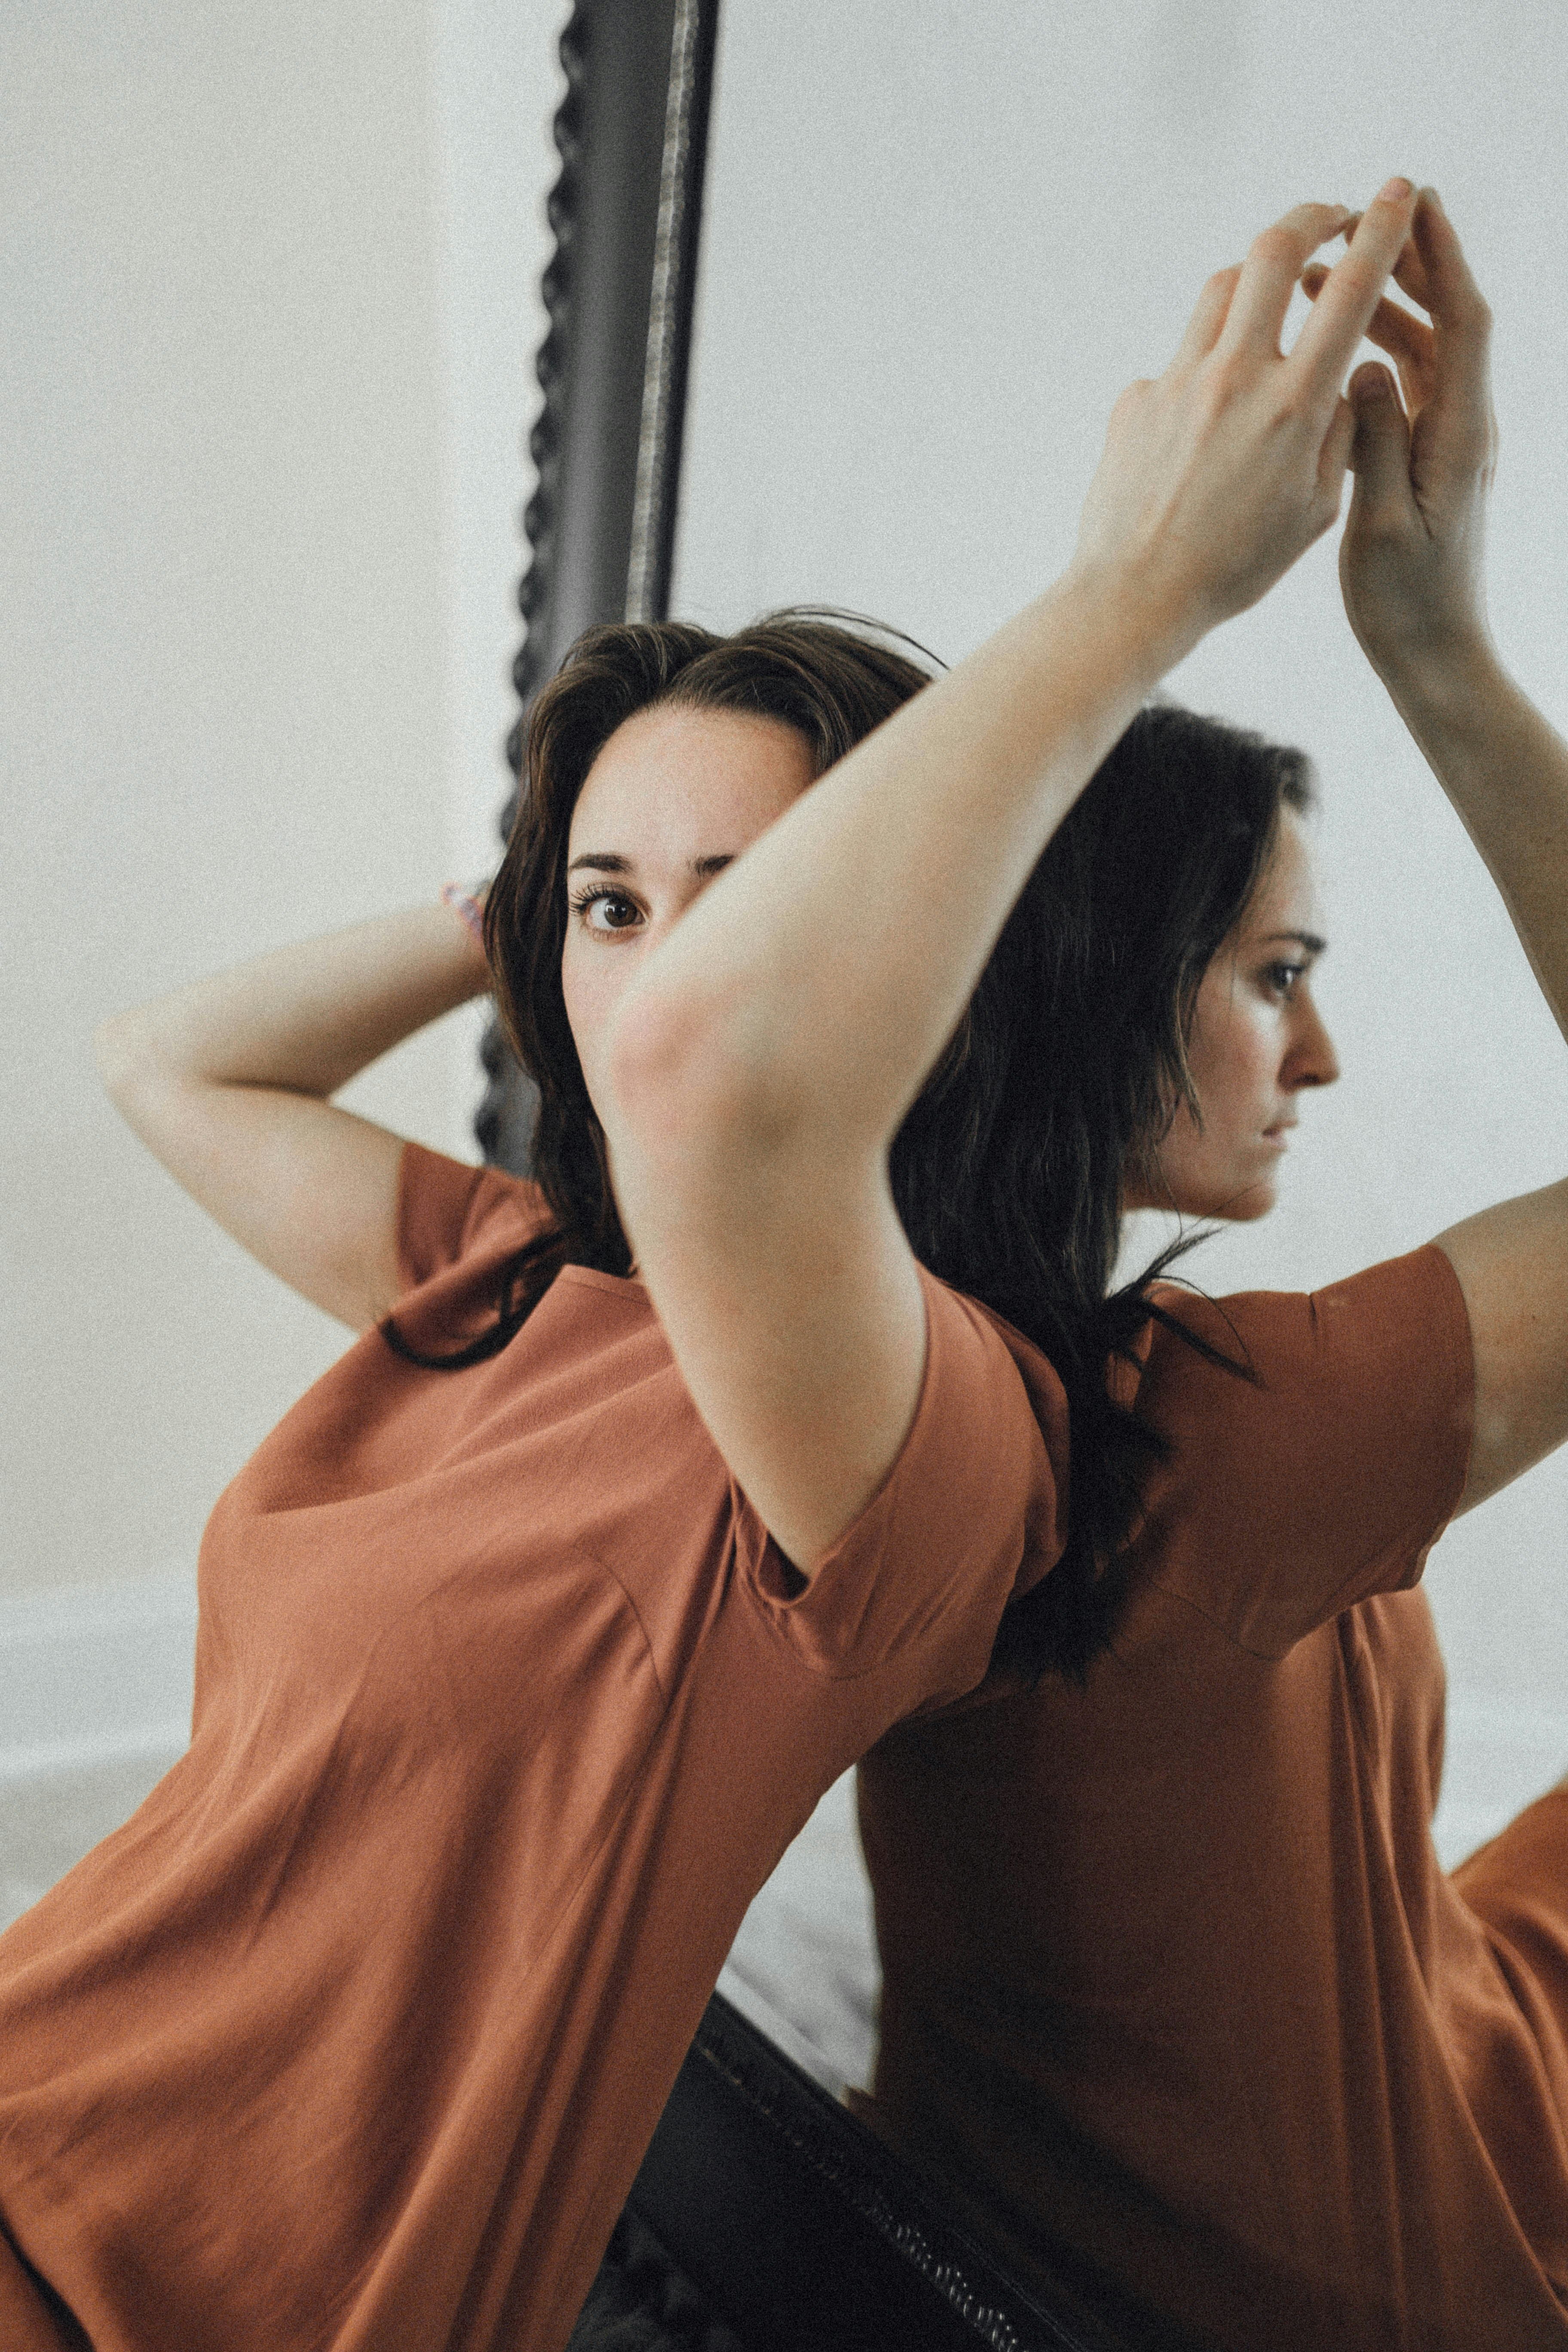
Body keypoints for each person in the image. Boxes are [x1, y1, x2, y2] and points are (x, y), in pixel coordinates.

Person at [0, 186, 1418, 2352]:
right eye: (611, 907)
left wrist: (1142, 593)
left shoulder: (928, 1430)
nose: (653, 974)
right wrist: (529, 894)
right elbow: (167, 1063)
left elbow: (726, 1089)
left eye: (749, 906)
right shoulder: (514, 1276)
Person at [854, 188, 1568, 2351]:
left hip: (1172, 2133)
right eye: (1276, 978)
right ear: (1092, 1000)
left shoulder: (892, 1375)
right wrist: (1439, 644)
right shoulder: (1209, 1449)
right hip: (1395, 2257)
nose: (1325, 1055)